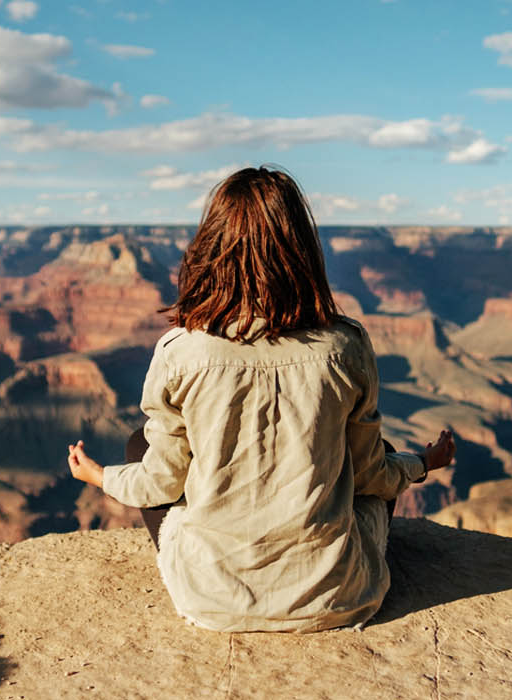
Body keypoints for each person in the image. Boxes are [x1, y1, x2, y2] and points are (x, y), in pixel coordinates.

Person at [67, 166, 455, 633]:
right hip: (336, 597)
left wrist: (99, 476)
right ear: (302, 250)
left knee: (139, 448)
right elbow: (372, 475)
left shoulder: (181, 351)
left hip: (211, 601)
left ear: (211, 249)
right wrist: (422, 463)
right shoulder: (345, 346)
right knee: (383, 453)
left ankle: (223, 575)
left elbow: (161, 485)